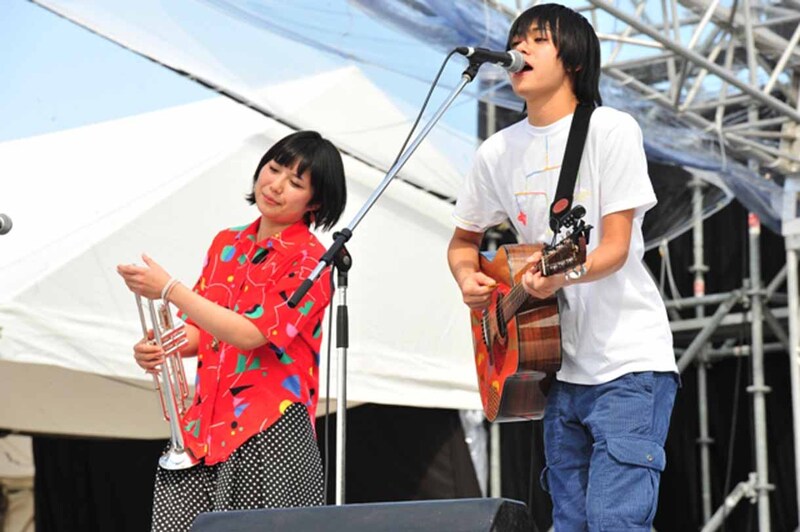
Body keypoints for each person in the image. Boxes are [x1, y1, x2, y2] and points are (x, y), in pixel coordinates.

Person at [447, 4, 678, 531]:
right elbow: (463, 242)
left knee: (614, 521)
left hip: (627, 361)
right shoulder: (496, 152)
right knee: (567, 524)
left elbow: (615, 247)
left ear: (572, 57)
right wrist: (469, 279)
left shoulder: (610, 130)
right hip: (553, 369)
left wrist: (560, 274)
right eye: (516, 39)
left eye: (537, 39)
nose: (520, 49)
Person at [118, 130, 347, 532]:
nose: (275, 185)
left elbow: (251, 334)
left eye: (295, 183)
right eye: (273, 169)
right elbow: (203, 331)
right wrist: (160, 347)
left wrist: (170, 290)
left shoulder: (312, 262)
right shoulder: (227, 243)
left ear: (316, 202)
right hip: (201, 429)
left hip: (269, 431)